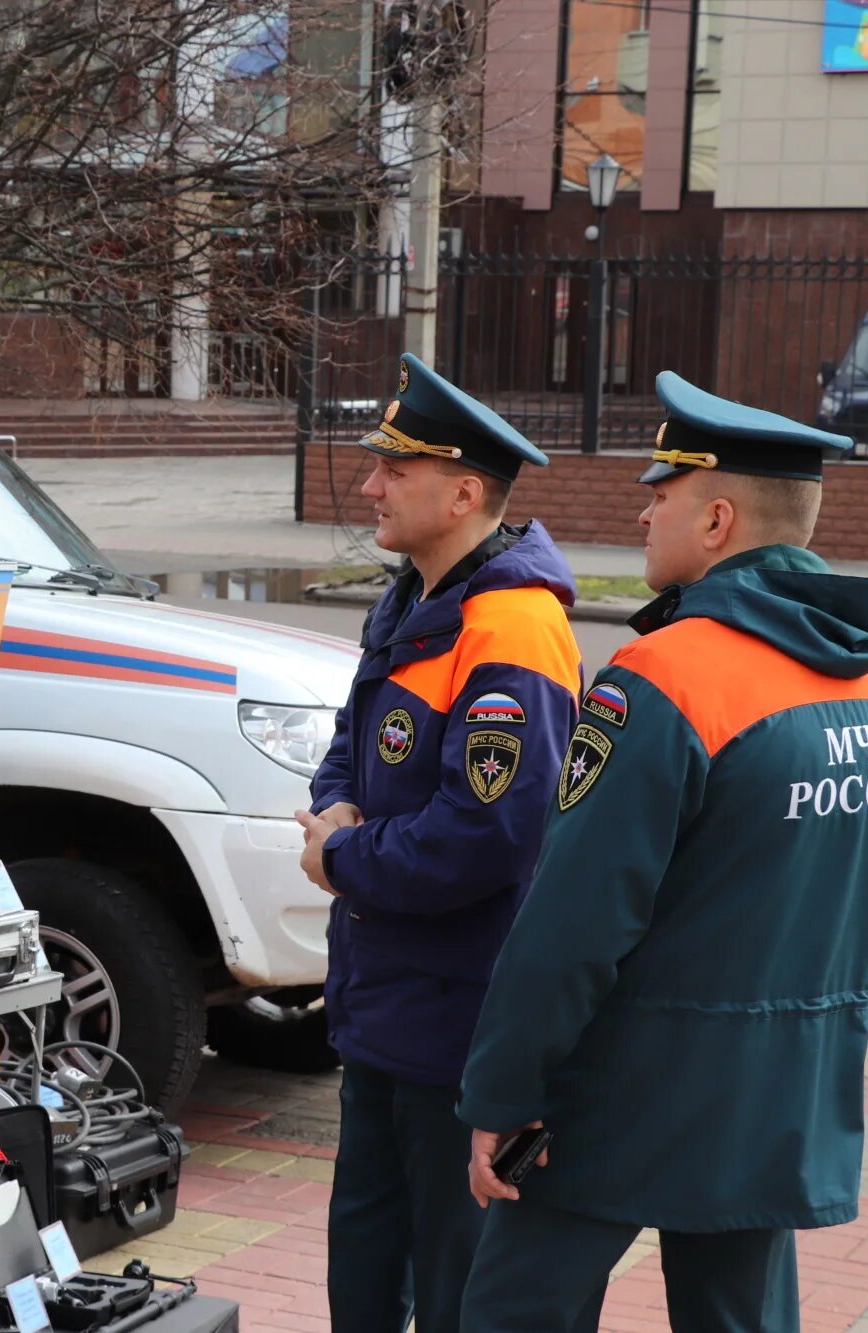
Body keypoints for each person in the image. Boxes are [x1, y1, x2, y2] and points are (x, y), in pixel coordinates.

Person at [457, 373, 868, 1332]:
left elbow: (574, 918)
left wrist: (502, 1090)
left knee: (511, 1309)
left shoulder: (663, 676)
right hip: (775, 1090)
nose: (642, 509)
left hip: (627, 1091)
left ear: (715, 518)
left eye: (659, 493)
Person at [296, 354, 583, 1332]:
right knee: (364, 1269)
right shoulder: (414, 599)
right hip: (381, 1006)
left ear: (463, 493)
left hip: (456, 1027)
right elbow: (347, 751)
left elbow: (484, 835)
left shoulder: (512, 626)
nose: (368, 485)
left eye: (394, 470)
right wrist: (335, 815)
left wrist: (340, 857)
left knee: (452, 1283)